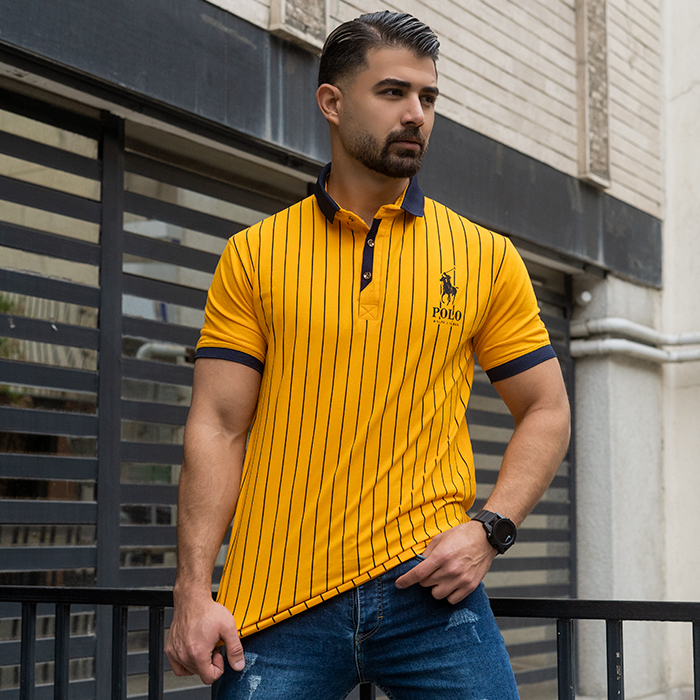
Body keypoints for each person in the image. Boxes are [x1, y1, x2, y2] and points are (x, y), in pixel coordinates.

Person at [165, 10, 570, 700]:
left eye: (428, 97)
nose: (416, 114)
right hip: (278, 597)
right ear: (332, 101)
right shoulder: (253, 256)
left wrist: (490, 530)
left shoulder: (486, 257)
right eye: (392, 92)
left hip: (432, 595)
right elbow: (217, 425)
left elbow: (547, 409)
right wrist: (193, 591)